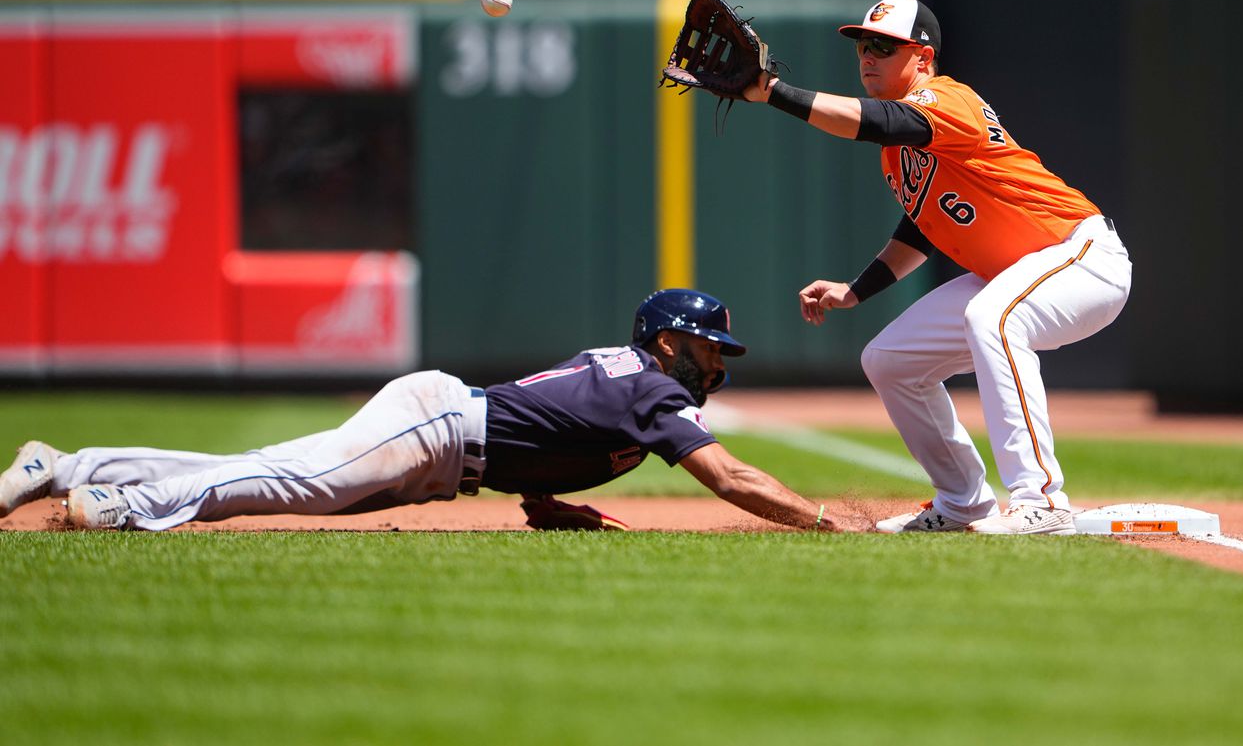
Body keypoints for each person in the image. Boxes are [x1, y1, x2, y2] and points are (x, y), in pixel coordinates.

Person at [0, 289, 869, 534]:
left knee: (275, 472)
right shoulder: (654, 388)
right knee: (287, 482)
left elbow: (551, 423)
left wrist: (545, 502)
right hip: (442, 428)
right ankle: (120, 506)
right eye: (711, 345)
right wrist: (818, 519)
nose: (720, 358)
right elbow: (731, 476)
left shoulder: (632, 377)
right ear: (671, 344)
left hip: (448, 440)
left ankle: (67, 467)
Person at [739, 0, 1132, 535]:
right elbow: (922, 228)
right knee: (890, 359)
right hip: (1017, 271)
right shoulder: (901, 151)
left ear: (923, 57)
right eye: (861, 46)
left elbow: (875, 120)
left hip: (1081, 257)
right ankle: (962, 502)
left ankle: (1041, 497)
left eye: (882, 46)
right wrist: (855, 291)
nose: (866, 56)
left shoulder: (948, 99)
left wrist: (773, 93)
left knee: (993, 317)